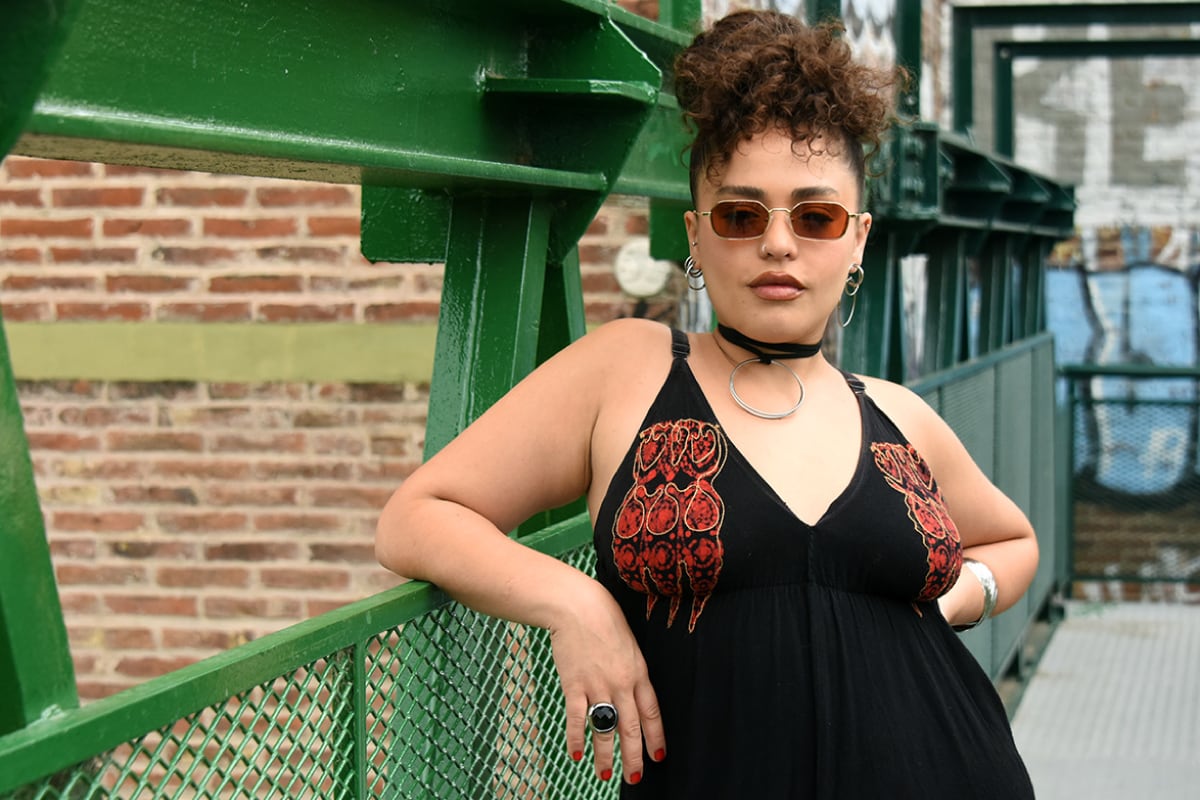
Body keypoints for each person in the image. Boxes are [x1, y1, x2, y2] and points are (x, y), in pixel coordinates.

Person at [376, 9, 1038, 798]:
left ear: (858, 238)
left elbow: (1013, 540)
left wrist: (960, 597)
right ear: (696, 233)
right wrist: (574, 602)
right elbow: (416, 518)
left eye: (816, 216)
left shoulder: (899, 414)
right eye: (741, 214)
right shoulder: (629, 371)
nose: (779, 243)